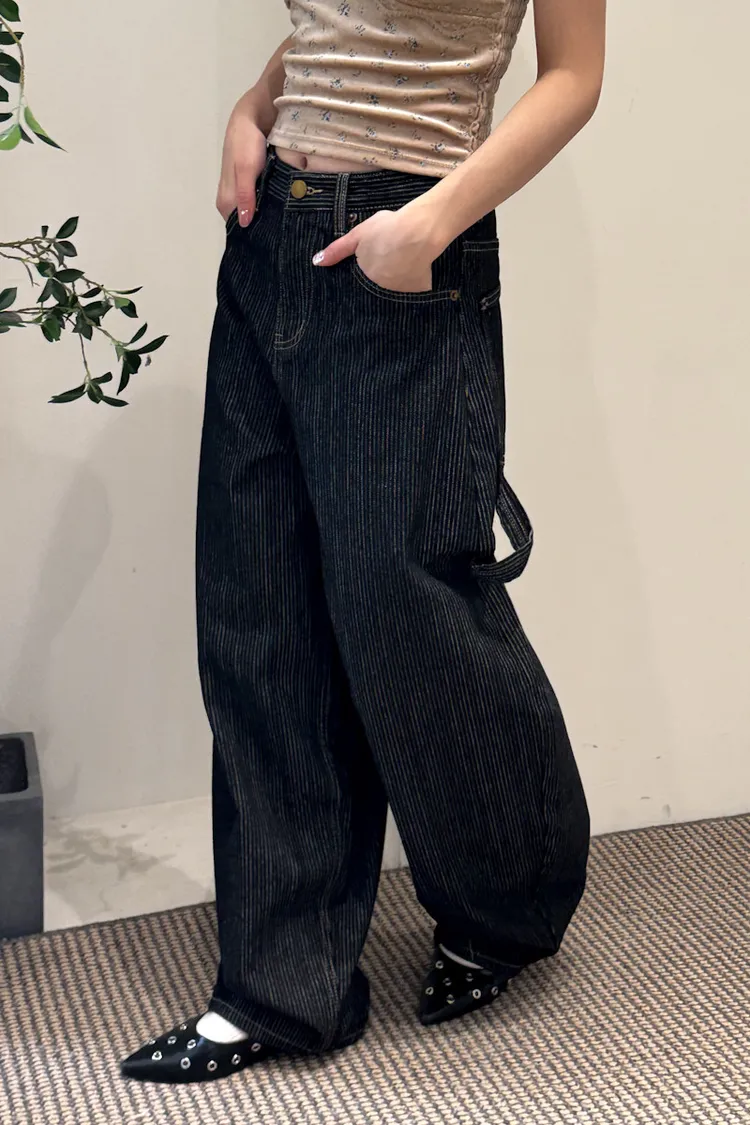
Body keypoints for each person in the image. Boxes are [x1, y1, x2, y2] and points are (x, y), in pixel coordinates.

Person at [121, 0, 605, 1085]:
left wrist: (430, 223)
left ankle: (505, 905)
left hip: (405, 250)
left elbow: (575, 77)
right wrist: (253, 109)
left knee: (407, 609)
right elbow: (333, 30)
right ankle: (282, 988)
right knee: (259, 613)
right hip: (270, 239)